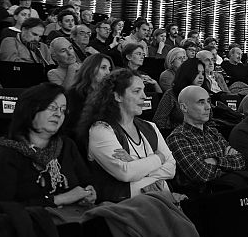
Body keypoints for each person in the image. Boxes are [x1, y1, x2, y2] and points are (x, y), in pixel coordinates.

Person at [0, 83, 96, 212]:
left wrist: (89, 192)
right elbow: (0, 208)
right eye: (52, 107)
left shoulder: (67, 145)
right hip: (32, 228)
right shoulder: (7, 154)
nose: (58, 114)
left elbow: (86, 181)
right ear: (31, 109)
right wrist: (58, 199)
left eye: (63, 110)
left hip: (74, 220)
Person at [77, 68, 176, 202]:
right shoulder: (101, 129)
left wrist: (135, 164)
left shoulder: (150, 126)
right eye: (136, 91)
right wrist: (159, 158)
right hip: (124, 209)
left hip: (161, 203)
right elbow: (126, 172)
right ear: (117, 96)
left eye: (143, 90)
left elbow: (171, 168)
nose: (144, 96)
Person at [166, 85, 248, 194]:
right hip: (204, 199)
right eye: (201, 102)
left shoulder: (213, 132)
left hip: (229, 190)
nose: (208, 107)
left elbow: (241, 161)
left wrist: (215, 161)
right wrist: (227, 162)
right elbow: (201, 174)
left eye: (208, 101)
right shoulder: (178, 138)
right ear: (184, 108)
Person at [65, 53, 114, 139]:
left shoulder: (110, 93)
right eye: (103, 68)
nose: (108, 73)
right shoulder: (74, 93)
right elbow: (73, 125)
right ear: (90, 69)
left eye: (109, 69)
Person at [153, 58, 206, 134]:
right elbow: (158, 121)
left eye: (203, 73)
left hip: (202, 135)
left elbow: (209, 120)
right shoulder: (171, 94)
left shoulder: (204, 94)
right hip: (178, 135)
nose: (201, 77)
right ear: (187, 73)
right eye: (197, 73)